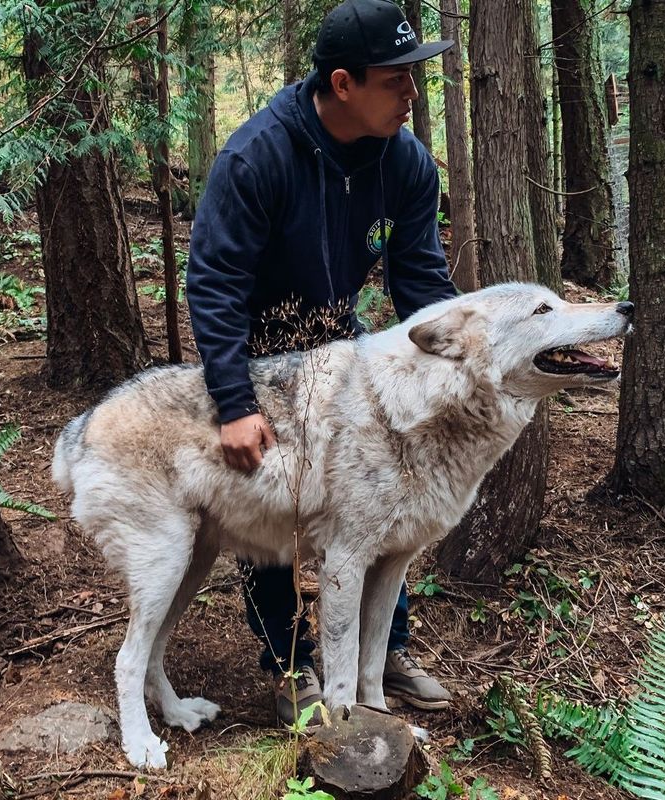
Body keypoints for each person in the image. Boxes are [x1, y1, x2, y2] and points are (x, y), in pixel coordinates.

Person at [187, 0, 456, 726]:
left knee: (380, 498)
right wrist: (234, 402)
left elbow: (423, 283)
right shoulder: (258, 157)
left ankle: (384, 651)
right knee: (271, 513)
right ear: (343, 83)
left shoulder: (406, 164)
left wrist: (454, 366)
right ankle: (285, 662)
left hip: (341, 347)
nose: (412, 93)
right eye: (396, 79)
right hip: (260, 355)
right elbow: (214, 283)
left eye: (414, 76)